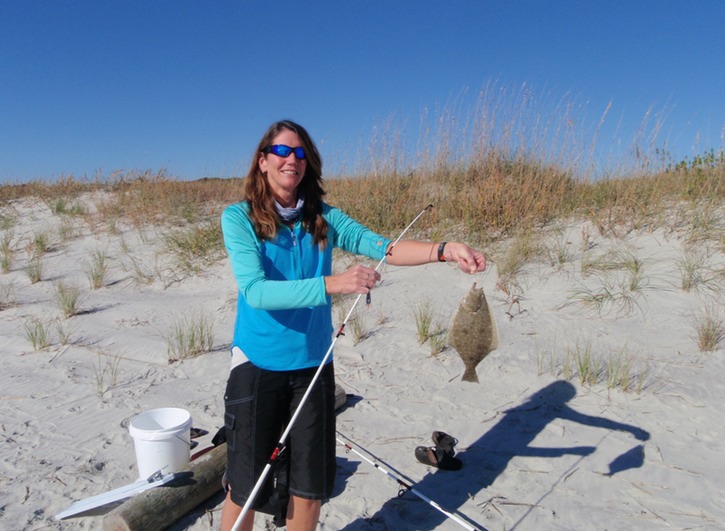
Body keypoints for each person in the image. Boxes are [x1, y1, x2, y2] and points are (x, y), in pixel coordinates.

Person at [220, 120, 487, 531]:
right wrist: (334, 284)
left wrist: (444, 249)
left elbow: (384, 247)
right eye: (282, 151)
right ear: (262, 161)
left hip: (312, 366)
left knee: (309, 491)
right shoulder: (238, 218)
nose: (292, 159)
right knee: (246, 490)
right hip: (257, 365)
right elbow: (256, 291)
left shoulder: (324, 218)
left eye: (301, 153)